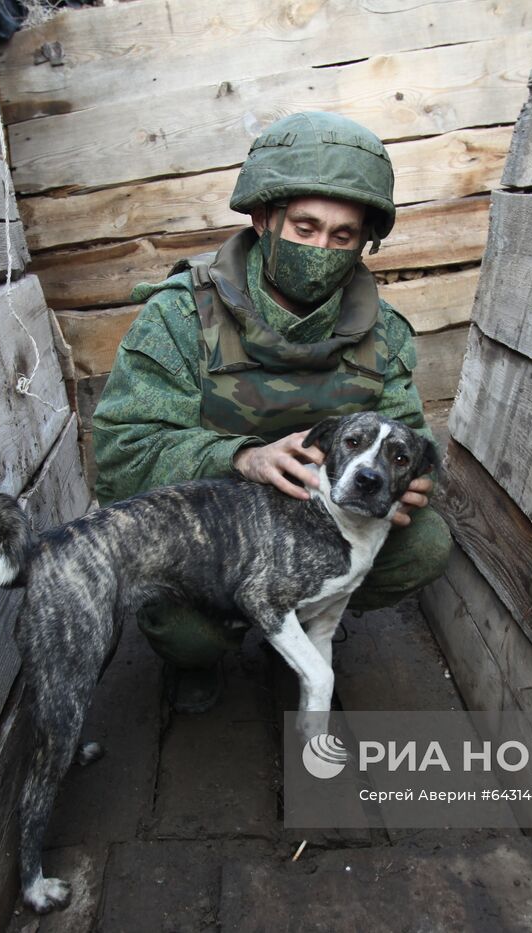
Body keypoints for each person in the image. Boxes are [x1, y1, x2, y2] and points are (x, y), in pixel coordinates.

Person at [91, 111, 453, 711]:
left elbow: (407, 433)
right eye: (305, 227)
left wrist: (411, 480)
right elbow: (120, 455)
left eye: (343, 237)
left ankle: (304, 632)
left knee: (425, 544)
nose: (321, 249)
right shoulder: (181, 318)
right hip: (212, 536)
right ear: (263, 218)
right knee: (187, 633)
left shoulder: (382, 334)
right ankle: (219, 646)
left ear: (365, 240)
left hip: (323, 528)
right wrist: (241, 457)